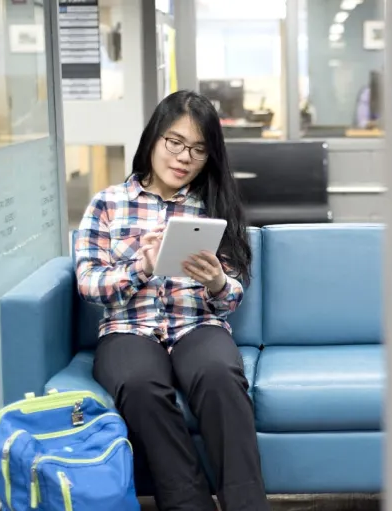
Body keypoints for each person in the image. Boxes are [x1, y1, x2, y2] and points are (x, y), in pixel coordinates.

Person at [75, 90, 269, 511]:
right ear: (154, 139)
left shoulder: (214, 207)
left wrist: (218, 280)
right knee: (141, 386)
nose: (184, 157)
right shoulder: (108, 204)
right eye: (175, 143)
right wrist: (140, 268)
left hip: (196, 324)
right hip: (129, 329)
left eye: (198, 150)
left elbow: (232, 295)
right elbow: (89, 284)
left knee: (221, 375)